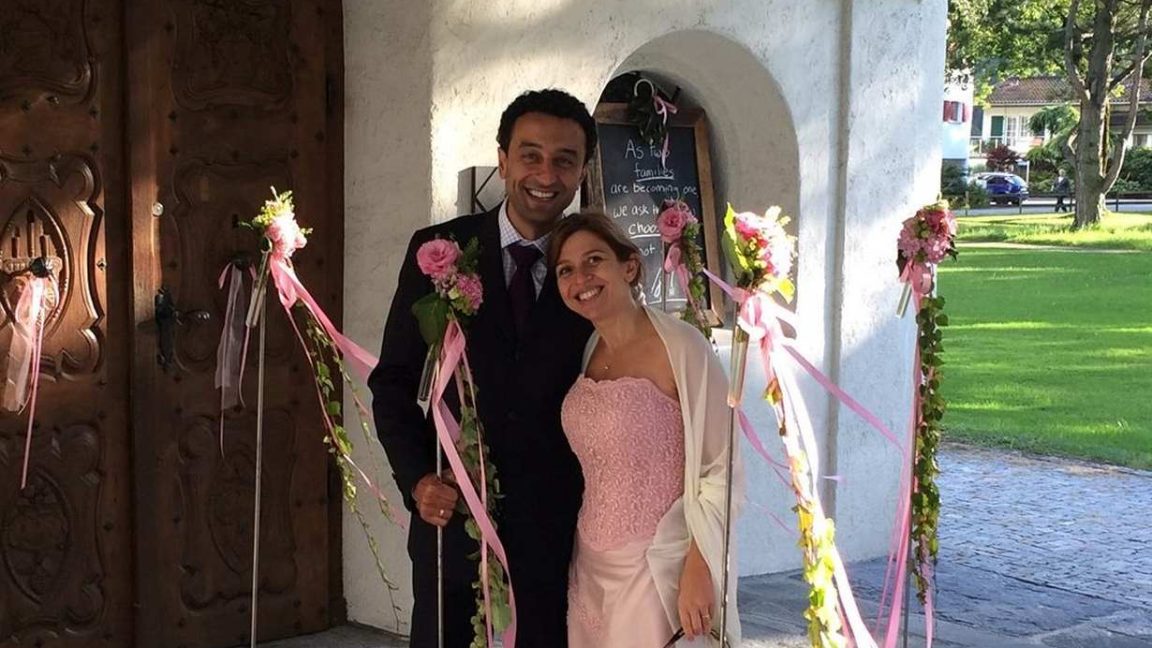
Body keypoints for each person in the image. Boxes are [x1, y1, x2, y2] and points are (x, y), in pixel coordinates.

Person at [369, 89, 597, 647]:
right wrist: (417, 479)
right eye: (530, 155)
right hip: (451, 519)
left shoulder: (594, 267)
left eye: (564, 160)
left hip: (554, 527)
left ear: (583, 171)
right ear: (503, 159)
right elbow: (394, 381)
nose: (546, 174)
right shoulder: (439, 250)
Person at [548, 211, 745, 647]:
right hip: (590, 566)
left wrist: (700, 567)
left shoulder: (682, 346)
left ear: (629, 266)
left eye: (594, 260)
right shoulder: (589, 349)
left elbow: (723, 467)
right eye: (566, 270)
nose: (581, 278)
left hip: (656, 567)